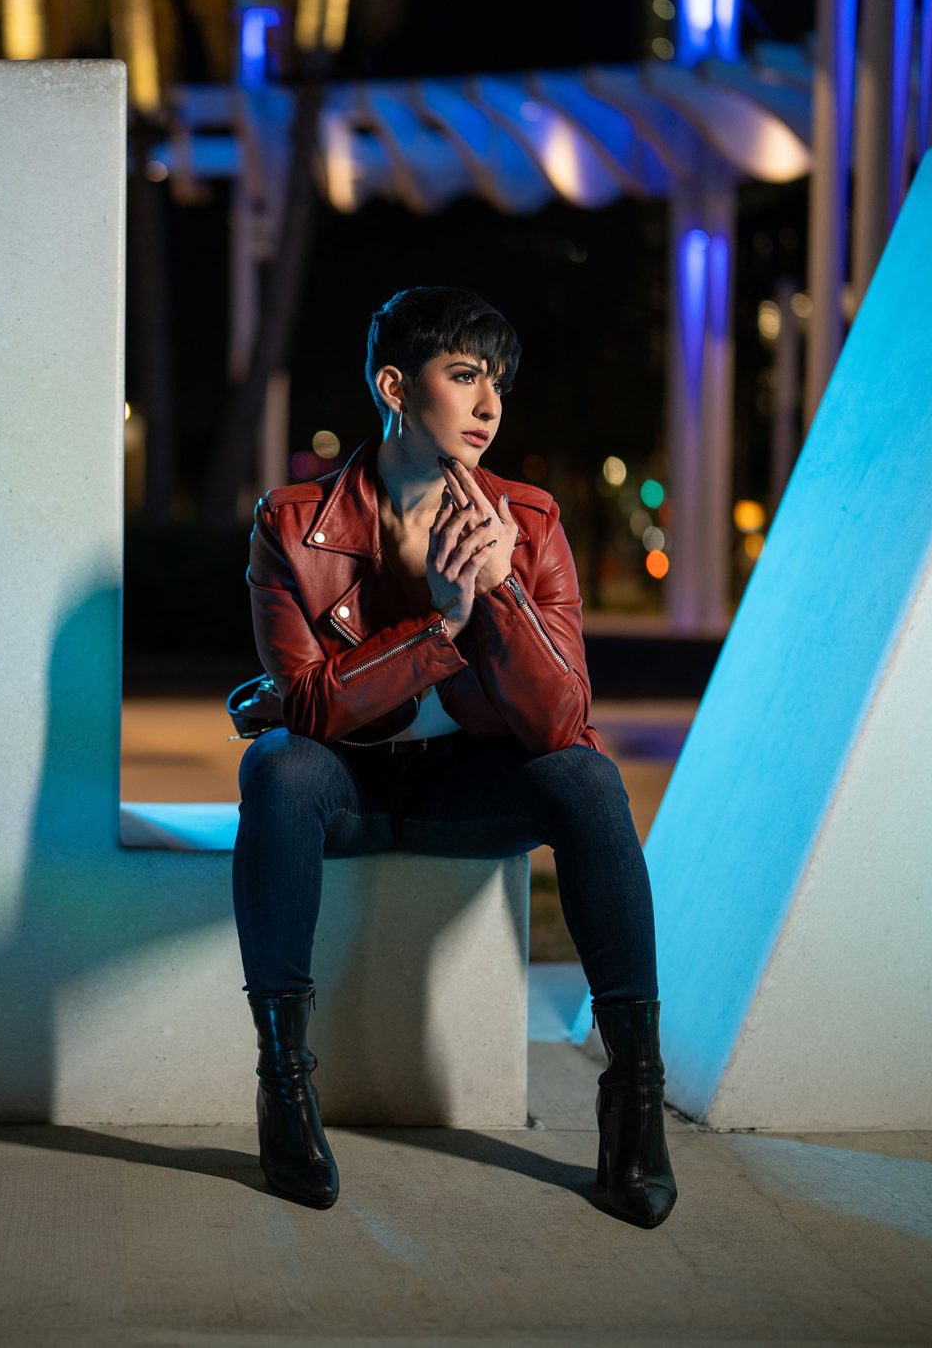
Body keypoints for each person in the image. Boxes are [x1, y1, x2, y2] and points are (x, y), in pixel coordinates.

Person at [229, 286, 675, 1228]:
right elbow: (307, 709)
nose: (488, 405)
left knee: (589, 779)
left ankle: (633, 1096)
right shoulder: (291, 524)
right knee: (276, 766)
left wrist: (502, 588)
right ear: (395, 384)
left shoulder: (532, 522)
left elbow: (562, 722)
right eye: (463, 375)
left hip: (470, 787)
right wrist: (444, 622)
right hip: (345, 783)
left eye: (498, 382)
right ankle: (283, 1085)